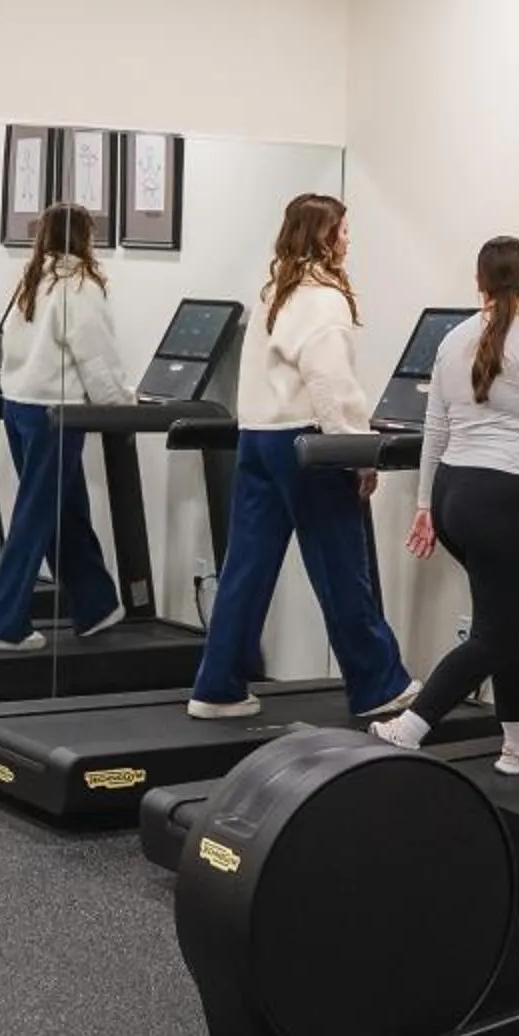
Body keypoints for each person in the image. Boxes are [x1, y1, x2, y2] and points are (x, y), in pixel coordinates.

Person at [187, 194, 416, 723]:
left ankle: (217, 686)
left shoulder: (276, 289)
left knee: (246, 566)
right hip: (308, 443)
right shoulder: (324, 298)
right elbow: (330, 382)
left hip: (259, 439)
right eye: (342, 231)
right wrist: (358, 453)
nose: (347, 240)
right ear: (322, 235)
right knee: (340, 564)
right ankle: (377, 682)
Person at [370, 236, 519, 775]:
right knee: (500, 631)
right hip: (500, 498)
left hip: (453, 496)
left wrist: (425, 504)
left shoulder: (452, 338)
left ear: (479, 283)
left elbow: (436, 428)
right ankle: (411, 726)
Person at [0, 203, 129, 653]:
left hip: (19, 405)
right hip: (53, 413)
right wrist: (119, 405)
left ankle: (96, 604)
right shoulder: (79, 285)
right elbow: (95, 354)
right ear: (84, 238)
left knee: (66, 508)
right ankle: (2, 623)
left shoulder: (33, 279)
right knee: (37, 514)